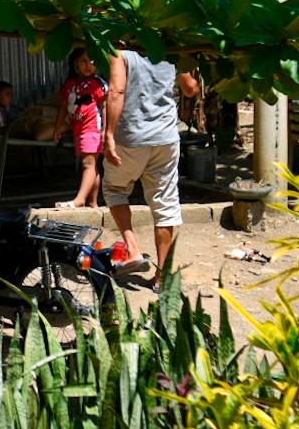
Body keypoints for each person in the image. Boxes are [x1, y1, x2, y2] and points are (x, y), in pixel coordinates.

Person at [101, 48, 200, 278]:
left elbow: (116, 90)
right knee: (164, 204)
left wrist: (108, 134)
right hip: (165, 138)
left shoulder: (121, 53)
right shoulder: (172, 52)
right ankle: (162, 277)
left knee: (115, 189)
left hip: (131, 139)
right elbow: (190, 89)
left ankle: (133, 250)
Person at [53, 48, 107, 209]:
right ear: (75, 63)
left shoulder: (98, 84)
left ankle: (80, 200)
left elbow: (106, 106)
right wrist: (58, 127)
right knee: (92, 165)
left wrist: (106, 129)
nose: (88, 65)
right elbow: (63, 106)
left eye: (92, 61)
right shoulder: (69, 84)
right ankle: (92, 203)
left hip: (93, 128)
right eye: (83, 61)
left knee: (87, 164)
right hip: (79, 130)